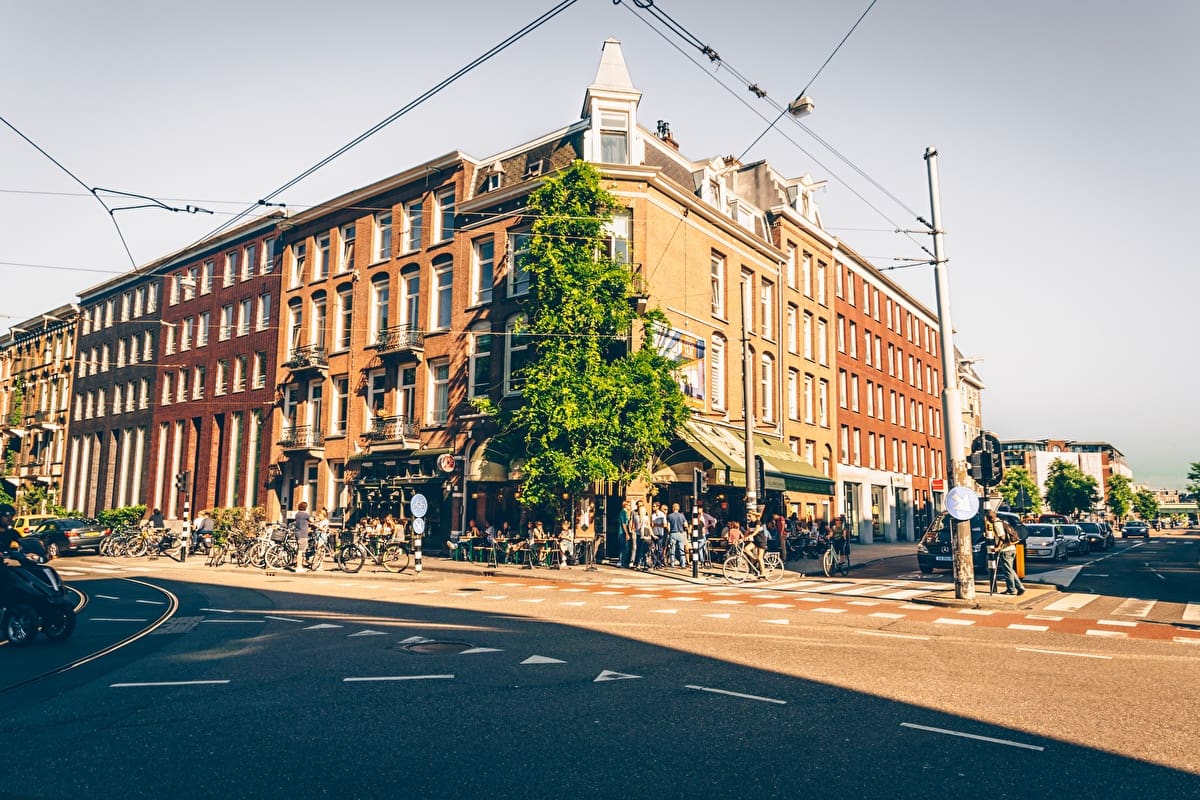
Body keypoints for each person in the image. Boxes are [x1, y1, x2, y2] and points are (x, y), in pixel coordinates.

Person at [989, 509, 1025, 595]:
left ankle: (1011, 590)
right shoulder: (1003, 522)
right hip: (1012, 548)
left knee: (1008, 571)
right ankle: (1020, 587)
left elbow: (1002, 537)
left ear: (990, 518)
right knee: (1010, 570)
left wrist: (998, 547)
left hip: (1005, 550)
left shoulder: (997, 524)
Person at [666, 502, 688, 568]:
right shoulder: (682, 515)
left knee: (672, 549)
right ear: (678, 508)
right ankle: (683, 564)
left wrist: (669, 533)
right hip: (680, 533)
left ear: (673, 508)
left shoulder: (670, 516)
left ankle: (672, 564)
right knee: (681, 549)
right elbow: (685, 525)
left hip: (673, 533)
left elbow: (668, 526)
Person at [293, 501, 311, 572]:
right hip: (303, 534)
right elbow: (311, 520)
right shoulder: (305, 515)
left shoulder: (297, 514)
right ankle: (299, 567)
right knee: (300, 551)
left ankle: (300, 565)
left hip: (297, 533)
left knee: (299, 550)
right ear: (305, 507)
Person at [618, 500, 633, 568]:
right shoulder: (623, 513)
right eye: (629, 505)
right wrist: (627, 533)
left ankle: (622, 561)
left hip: (623, 533)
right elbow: (624, 524)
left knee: (625, 548)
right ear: (625, 505)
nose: (630, 507)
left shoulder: (626, 513)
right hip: (622, 533)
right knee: (624, 548)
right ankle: (620, 561)